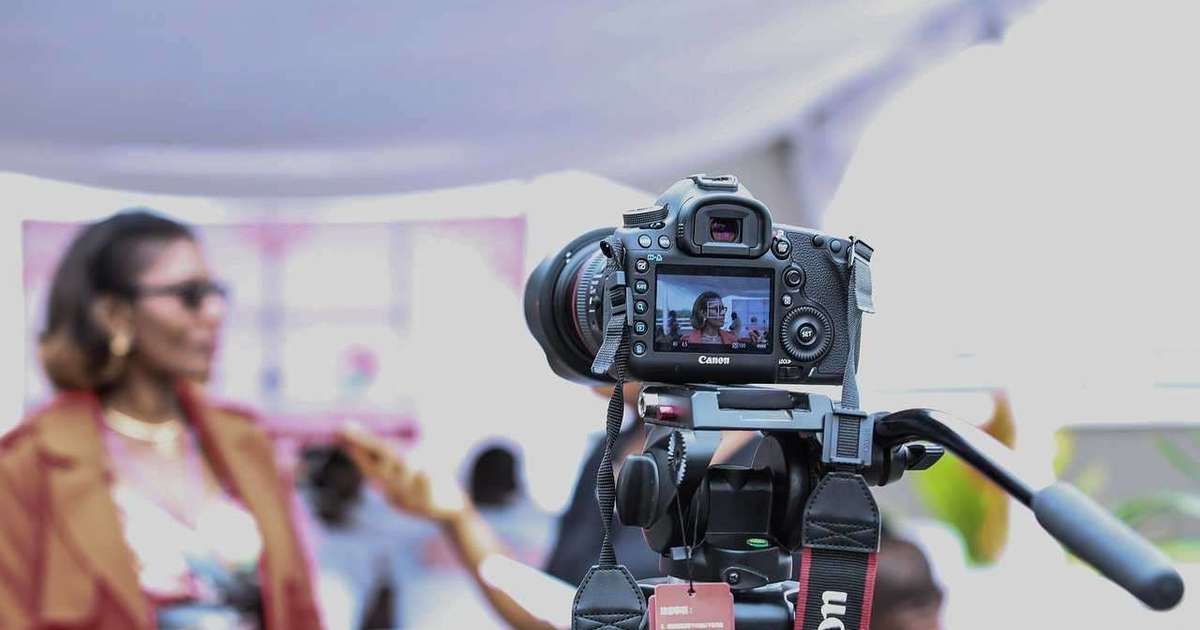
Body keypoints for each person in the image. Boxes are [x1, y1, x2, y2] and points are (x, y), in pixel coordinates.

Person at [0, 211, 322, 630]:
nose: (214, 312)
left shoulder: (248, 443)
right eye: (190, 295)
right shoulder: (29, 465)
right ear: (114, 314)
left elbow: (299, 610)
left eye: (216, 293)